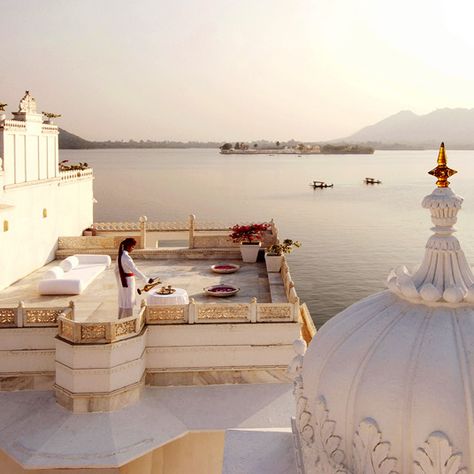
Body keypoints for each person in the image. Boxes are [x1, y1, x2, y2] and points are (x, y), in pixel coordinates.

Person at [115, 237, 152, 318]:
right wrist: (147, 279)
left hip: (123, 281)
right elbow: (135, 270)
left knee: (123, 300)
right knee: (128, 301)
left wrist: (120, 280)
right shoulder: (126, 257)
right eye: (132, 247)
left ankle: (121, 318)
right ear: (128, 246)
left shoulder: (120, 255)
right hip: (127, 281)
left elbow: (116, 270)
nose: (133, 249)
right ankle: (127, 320)